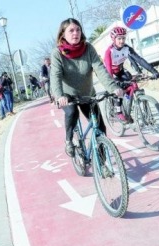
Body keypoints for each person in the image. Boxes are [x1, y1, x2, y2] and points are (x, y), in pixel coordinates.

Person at [50, 18, 123, 157]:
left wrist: (112, 88)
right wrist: (59, 96)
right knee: (72, 113)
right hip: (67, 96)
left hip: (87, 94)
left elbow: (100, 69)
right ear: (63, 34)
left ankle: (102, 163)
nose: (75, 33)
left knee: (100, 127)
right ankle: (69, 141)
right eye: (71, 30)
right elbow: (55, 76)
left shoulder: (88, 48)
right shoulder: (57, 53)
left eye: (78, 29)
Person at [103, 26, 159, 122]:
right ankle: (119, 112)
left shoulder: (127, 48)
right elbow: (108, 70)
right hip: (110, 73)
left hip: (120, 70)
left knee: (132, 82)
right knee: (119, 90)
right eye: (119, 38)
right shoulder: (109, 51)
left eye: (123, 38)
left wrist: (154, 71)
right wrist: (113, 84)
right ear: (114, 39)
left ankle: (129, 102)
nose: (122, 41)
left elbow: (139, 60)